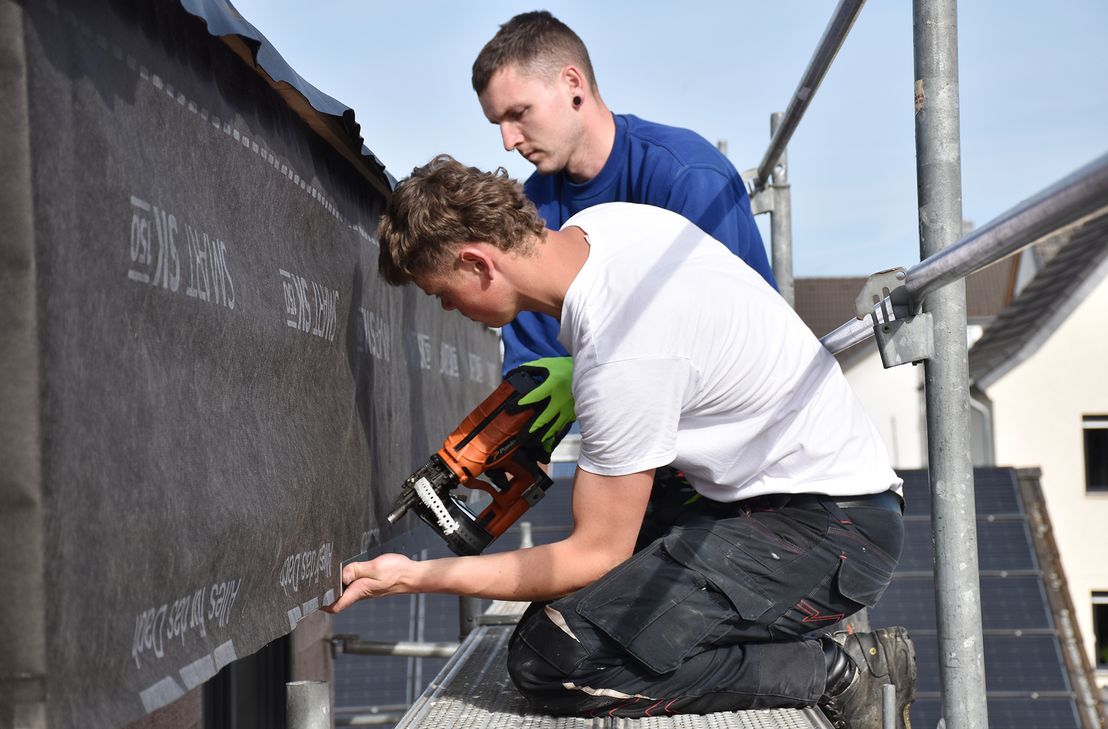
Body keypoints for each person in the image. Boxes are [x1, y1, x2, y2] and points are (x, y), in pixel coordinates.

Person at [328, 156, 916, 729]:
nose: (451, 309)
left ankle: (837, 670)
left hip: (830, 534)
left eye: (442, 293)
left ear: (479, 263)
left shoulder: (622, 348)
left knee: (553, 658)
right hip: (776, 499)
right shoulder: (610, 225)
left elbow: (595, 554)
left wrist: (417, 576)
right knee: (579, 611)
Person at [472, 10, 776, 377]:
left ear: (573, 85)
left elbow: (716, 339)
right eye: (498, 124)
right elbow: (533, 364)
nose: (508, 141)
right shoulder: (530, 211)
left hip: (733, 415)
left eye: (519, 113)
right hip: (595, 425)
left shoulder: (685, 175)